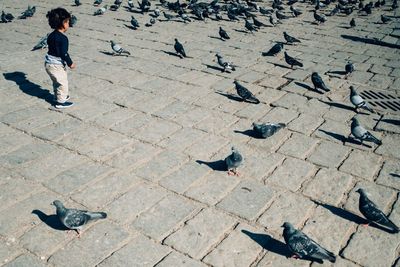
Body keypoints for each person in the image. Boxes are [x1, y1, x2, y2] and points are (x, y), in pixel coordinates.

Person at [44, 7, 76, 108]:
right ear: (63, 23)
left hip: (48, 63)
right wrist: (70, 63)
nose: (69, 24)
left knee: (56, 81)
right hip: (56, 64)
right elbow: (64, 53)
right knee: (62, 82)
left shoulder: (51, 35)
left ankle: (57, 96)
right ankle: (60, 102)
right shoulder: (63, 38)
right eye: (67, 22)